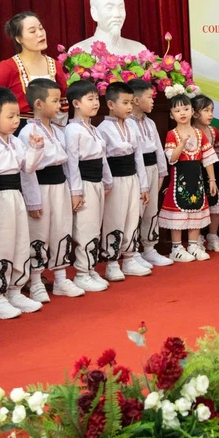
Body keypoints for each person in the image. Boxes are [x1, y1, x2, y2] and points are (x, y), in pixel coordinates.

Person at [0, 88, 47, 319]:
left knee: (19, 243)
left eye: (17, 116)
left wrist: (35, 147)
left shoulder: (15, 142)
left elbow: (28, 168)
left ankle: (14, 290)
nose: (16, 121)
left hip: (15, 195)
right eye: (10, 116)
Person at [19, 78, 83, 299]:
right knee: (39, 233)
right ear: (38, 104)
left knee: (61, 229)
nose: (59, 106)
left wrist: (74, 191)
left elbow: (67, 163)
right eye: (55, 101)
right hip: (40, 186)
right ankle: (35, 280)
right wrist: (33, 200)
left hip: (60, 186)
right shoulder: (27, 133)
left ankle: (61, 278)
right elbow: (27, 170)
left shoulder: (58, 131)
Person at [0, 11, 68, 133]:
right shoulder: (8, 67)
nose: (40, 34)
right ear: (19, 39)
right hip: (17, 131)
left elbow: (62, 104)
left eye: (41, 28)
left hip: (48, 130)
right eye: (32, 31)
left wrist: (56, 133)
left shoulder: (55, 65)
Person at [98, 82, 152, 280]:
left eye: (131, 103)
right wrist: (107, 183)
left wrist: (143, 184)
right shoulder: (103, 128)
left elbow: (138, 155)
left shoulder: (132, 124)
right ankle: (112, 263)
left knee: (132, 217)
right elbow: (103, 160)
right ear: (111, 104)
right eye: (125, 103)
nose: (129, 107)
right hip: (115, 179)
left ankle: (129, 258)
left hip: (133, 178)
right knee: (115, 219)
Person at [64, 80, 114, 292]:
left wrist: (107, 179)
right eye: (90, 99)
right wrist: (76, 192)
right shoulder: (72, 130)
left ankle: (90, 266)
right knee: (84, 227)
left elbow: (102, 158)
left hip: (96, 182)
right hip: (83, 182)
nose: (95, 103)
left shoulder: (93, 129)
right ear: (76, 103)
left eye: (96, 98)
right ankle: (82, 272)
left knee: (95, 226)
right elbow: (72, 163)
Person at [160, 94, 218, 261]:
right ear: (172, 115)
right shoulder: (172, 134)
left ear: (193, 111)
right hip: (179, 179)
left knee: (195, 212)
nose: (182, 113)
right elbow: (172, 158)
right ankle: (176, 248)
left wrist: (212, 180)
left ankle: (193, 244)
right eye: (177, 110)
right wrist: (182, 144)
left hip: (197, 179)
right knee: (178, 213)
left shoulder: (200, 134)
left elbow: (208, 159)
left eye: (186, 109)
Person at [130, 79, 171, 265]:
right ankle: (133, 251)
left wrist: (162, 172)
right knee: (136, 210)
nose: (153, 100)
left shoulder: (150, 122)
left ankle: (149, 248)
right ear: (136, 100)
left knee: (152, 209)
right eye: (149, 96)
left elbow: (159, 150)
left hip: (153, 168)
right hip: (138, 170)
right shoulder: (128, 123)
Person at [69, 0, 151, 56]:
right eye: (109, 8)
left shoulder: (138, 50)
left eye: (121, 7)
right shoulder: (79, 52)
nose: (117, 14)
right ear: (94, 13)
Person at [191, 95, 219, 252]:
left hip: (210, 174)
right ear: (194, 113)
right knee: (197, 208)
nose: (211, 114)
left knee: (215, 207)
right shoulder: (190, 131)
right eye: (206, 110)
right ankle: (197, 239)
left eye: (212, 110)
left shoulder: (213, 131)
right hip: (194, 174)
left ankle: (212, 237)